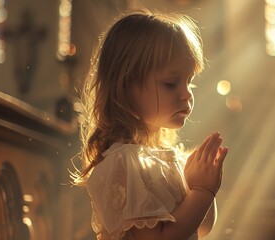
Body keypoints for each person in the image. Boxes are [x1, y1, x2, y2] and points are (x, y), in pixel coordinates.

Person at [72, 8, 229, 240]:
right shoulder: (125, 162)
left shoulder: (164, 159)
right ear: (126, 86)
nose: (186, 94)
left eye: (190, 83)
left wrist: (202, 184)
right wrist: (202, 191)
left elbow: (200, 228)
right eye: (170, 83)